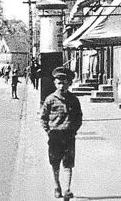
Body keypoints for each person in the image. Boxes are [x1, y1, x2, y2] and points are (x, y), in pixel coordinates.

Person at [41, 66, 83, 200]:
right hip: (55, 136)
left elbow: (79, 117)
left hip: (69, 136)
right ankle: (57, 186)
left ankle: (67, 189)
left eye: (65, 83)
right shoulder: (50, 99)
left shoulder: (74, 100)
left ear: (69, 83)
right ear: (55, 83)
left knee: (68, 163)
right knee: (55, 163)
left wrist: (73, 129)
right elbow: (43, 117)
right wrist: (49, 131)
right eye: (59, 82)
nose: (62, 86)